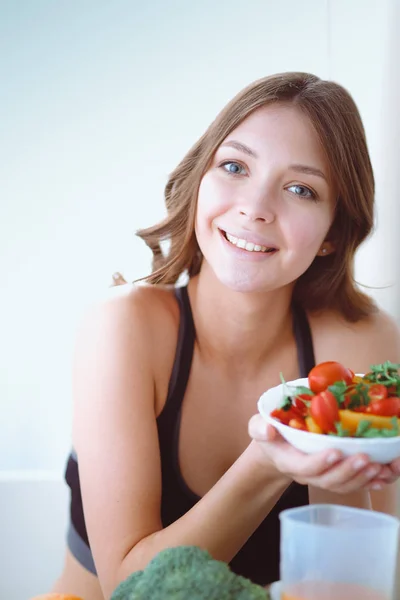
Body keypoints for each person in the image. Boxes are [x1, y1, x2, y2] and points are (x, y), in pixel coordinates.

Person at [52, 72, 400, 600]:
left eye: (301, 189)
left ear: (332, 234)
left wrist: (346, 461)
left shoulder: (358, 342)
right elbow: (133, 588)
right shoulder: (122, 326)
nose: (256, 207)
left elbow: (343, 586)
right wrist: (267, 460)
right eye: (235, 166)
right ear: (199, 181)